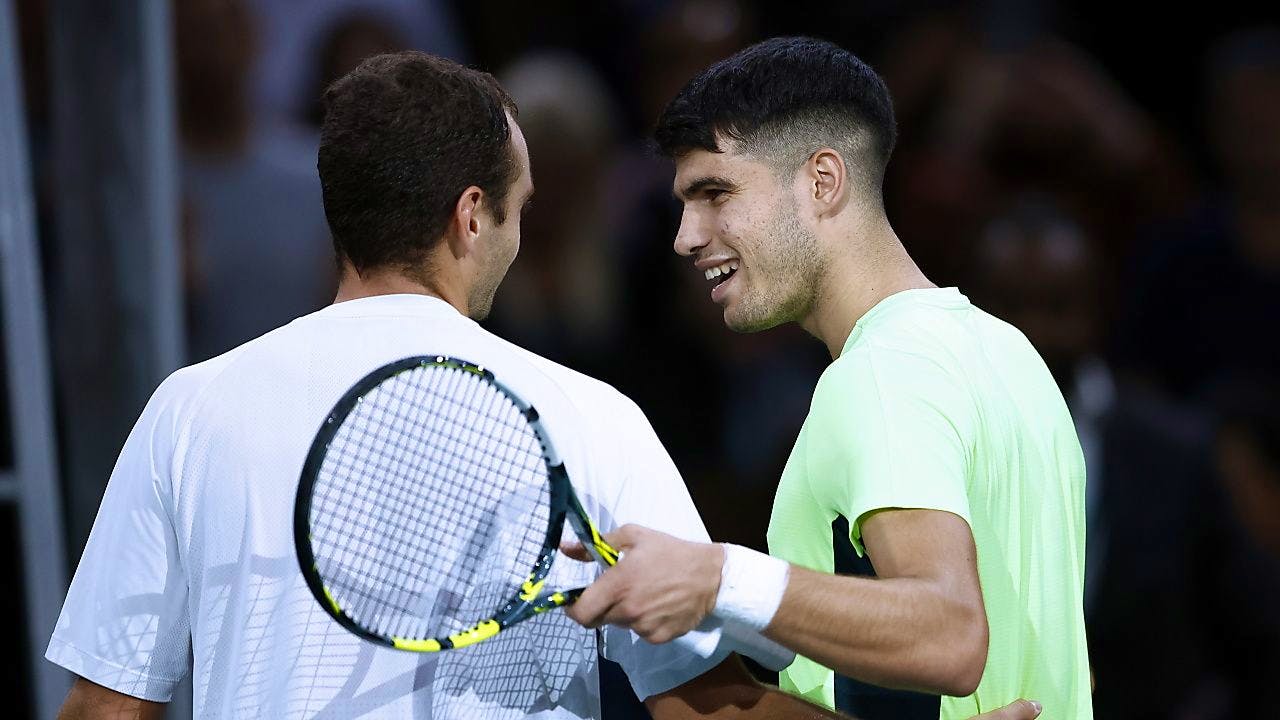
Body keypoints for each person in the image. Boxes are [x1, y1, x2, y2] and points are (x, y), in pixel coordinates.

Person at [43, 50, 1042, 720]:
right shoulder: (587, 417)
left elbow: (104, 710)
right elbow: (708, 711)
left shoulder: (188, 411)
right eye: (518, 208)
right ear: (470, 217)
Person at [563, 37, 1092, 720]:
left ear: (822, 181)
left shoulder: (880, 374)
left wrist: (720, 576)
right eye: (684, 203)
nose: (686, 236)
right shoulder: (1008, 353)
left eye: (715, 192)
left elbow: (951, 634)